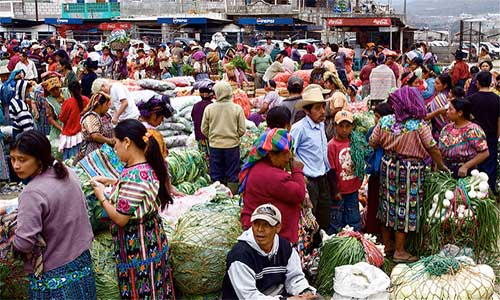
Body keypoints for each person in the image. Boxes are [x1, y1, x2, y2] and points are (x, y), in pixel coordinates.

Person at [91, 119, 174, 299]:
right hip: (152, 240)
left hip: (139, 246)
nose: (114, 149)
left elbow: (121, 218)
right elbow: (135, 191)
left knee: (144, 290)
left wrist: (101, 196)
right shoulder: (144, 167)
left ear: (127, 142)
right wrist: (112, 182)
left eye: (115, 143)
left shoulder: (135, 175)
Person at [11, 130, 95, 299]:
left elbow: (24, 243)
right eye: (12, 159)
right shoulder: (67, 173)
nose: (16, 165)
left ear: (39, 159)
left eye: (22, 159)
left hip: (54, 274)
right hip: (82, 263)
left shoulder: (32, 193)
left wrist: (9, 237)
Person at [369, 86, 447, 263]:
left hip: (388, 167)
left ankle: (387, 245)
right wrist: (440, 165)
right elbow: (432, 147)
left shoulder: (385, 121)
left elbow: (372, 142)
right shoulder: (418, 125)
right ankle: (400, 251)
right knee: (404, 207)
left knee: (387, 203)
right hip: (410, 170)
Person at [222, 204, 317, 299]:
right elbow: (250, 297)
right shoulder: (240, 256)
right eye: (256, 224)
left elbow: (295, 278)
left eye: (266, 225)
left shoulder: (286, 248)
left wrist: (304, 291)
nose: (260, 229)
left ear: (278, 228)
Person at [239, 128, 305, 244]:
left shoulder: (262, 168)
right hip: (269, 238)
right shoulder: (271, 175)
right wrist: (297, 171)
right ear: (270, 155)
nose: (289, 157)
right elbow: (299, 194)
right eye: (284, 153)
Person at [290, 85, 331, 236]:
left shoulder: (321, 125)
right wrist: (300, 176)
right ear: (307, 111)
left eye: (323, 107)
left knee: (323, 216)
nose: (322, 111)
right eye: (318, 108)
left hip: (322, 178)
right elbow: (290, 154)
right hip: (309, 181)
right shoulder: (299, 128)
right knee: (310, 220)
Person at [201, 80, 246, 194]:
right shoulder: (237, 108)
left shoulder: (209, 108)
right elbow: (242, 130)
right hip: (232, 146)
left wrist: (212, 137)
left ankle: (217, 196)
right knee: (232, 173)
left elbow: (204, 129)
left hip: (215, 145)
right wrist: (234, 136)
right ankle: (232, 196)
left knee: (216, 173)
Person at [327, 110, 362, 233]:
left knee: (353, 218)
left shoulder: (355, 143)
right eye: (341, 126)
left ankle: (355, 240)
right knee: (337, 219)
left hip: (353, 188)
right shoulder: (332, 145)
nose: (344, 130)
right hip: (339, 190)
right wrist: (335, 190)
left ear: (352, 127)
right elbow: (330, 170)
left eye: (348, 126)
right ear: (335, 126)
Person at [439, 98, 489, 178]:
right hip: (447, 172)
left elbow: (484, 153)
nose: (447, 112)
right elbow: (440, 151)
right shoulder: (446, 129)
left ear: (460, 113)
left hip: (465, 173)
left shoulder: (473, 130)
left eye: (450, 109)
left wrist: (466, 166)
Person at [467, 71, 500, 193]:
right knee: (490, 164)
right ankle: (489, 192)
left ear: (478, 83)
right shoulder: (497, 99)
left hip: (473, 137)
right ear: (491, 82)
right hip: (491, 136)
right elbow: (499, 120)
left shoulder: (470, 100)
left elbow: (467, 119)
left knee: (474, 163)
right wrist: (496, 136)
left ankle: (473, 191)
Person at [364, 103, 393, 235]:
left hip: (387, 174)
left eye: (378, 117)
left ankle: (385, 236)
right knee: (374, 205)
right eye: (375, 116)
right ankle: (374, 234)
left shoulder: (392, 131)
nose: (376, 120)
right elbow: (368, 149)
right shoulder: (372, 131)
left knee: (386, 206)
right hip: (376, 173)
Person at [77, 92, 114, 161]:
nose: (108, 108)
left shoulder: (104, 116)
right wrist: (110, 141)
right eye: (107, 105)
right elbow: (95, 135)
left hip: (105, 150)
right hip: (94, 151)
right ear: (99, 105)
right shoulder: (90, 117)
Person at [58, 81, 89, 160]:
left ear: (70, 91)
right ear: (80, 89)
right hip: (83, 134)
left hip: (70, 135)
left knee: (70, 162)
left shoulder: (68, 102)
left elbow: (62, 118)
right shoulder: (86, 100)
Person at [191, 79, 215, 159]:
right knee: (212, 157)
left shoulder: (196, 106)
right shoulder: (212, 105)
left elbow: (193, 118)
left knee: (203, 157)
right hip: (210, 137)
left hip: (199, 136)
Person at [426, 73, 452, 140]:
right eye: (434, 83)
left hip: (443, 131)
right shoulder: (445, 94)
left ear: (445, 85)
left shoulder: (441, 97)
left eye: (437, 83)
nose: (434, 85)